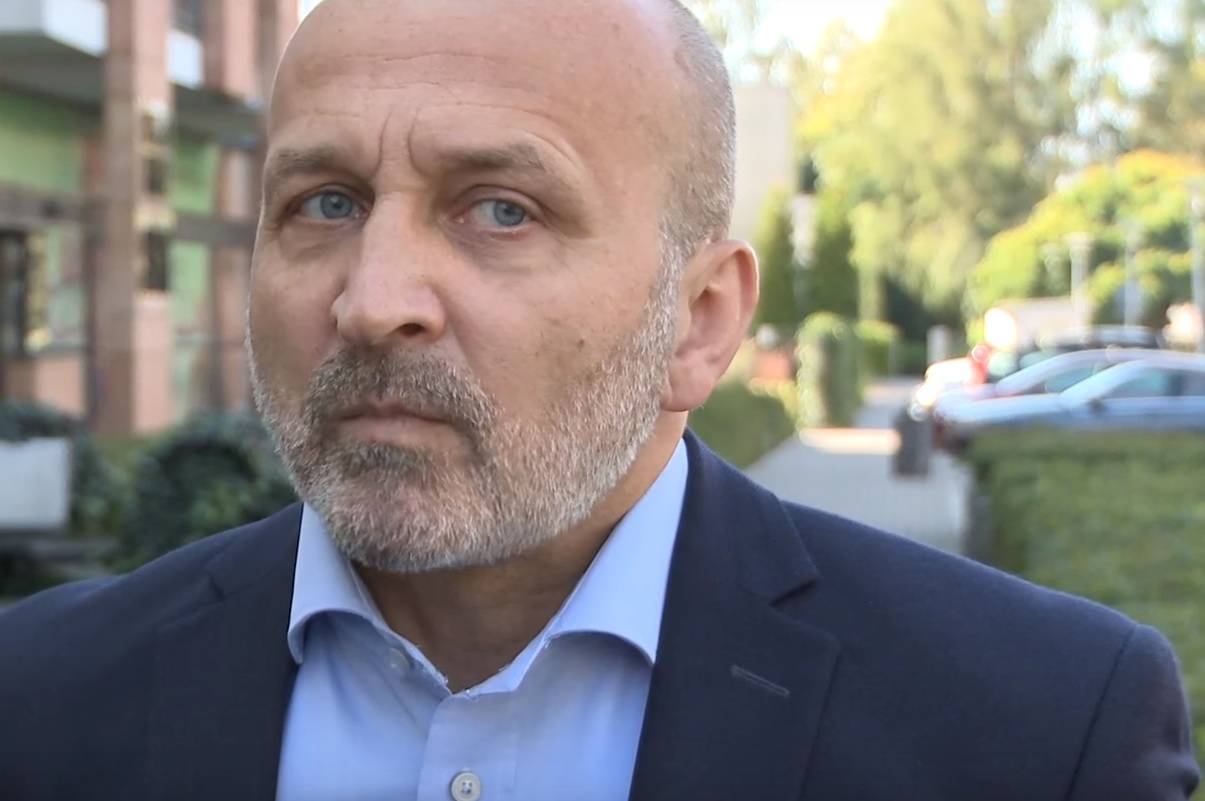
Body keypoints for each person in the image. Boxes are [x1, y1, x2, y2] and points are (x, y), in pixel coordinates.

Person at [0, 0, 1198, 798]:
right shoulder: (37, 702)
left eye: (500, 209)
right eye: (325, 202)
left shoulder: (1037, 733)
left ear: (700, 321)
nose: (372, 301)